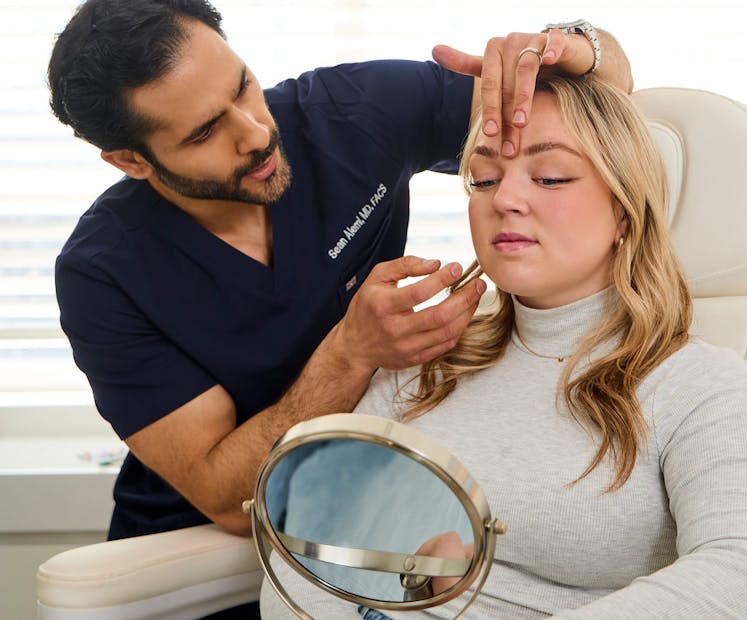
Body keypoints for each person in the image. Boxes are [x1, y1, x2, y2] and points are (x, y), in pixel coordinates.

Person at [47, 0, 634, 544]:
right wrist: (352, 352)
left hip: (359, 514)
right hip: (192, 552)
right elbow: (227, 498)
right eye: (204, 131)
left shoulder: (351, 113)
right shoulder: (103, 274)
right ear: (130, 160)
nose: (254, 132)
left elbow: (600, 104)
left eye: (243, 87)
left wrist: (574, 47)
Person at [260, 74, 747, 618]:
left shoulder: (699, 385)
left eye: (550, 176)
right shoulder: (423, 364)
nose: (506, 199)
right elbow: (307, 542)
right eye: (484, 178)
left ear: (624, 212)